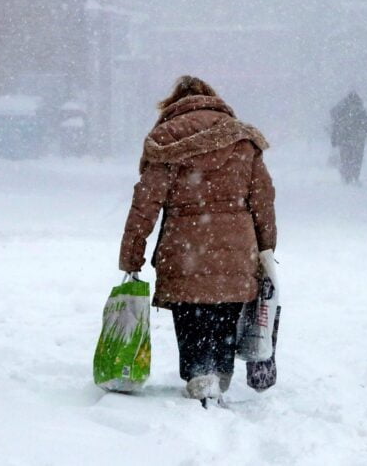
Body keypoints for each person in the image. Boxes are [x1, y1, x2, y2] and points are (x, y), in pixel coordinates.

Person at [118, 75, 276, 406]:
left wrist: (132, 256)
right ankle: (219, 371)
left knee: (191, 312)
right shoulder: (242, 139)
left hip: (184, 246)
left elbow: (144, 204)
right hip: (236, 249)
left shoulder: (166, 140)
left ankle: (197, 372)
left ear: (174, 104)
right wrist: (266, 248)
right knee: (224, 311)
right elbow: (262, 199)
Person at [329, 90, 367, 184]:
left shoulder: (342, 110)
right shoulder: (360, 110)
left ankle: (347, 177)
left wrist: (334, 138)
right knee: (357, 158)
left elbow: (336, 125)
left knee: (346, 158)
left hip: (344, 139)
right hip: (358, 139)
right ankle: (355, 176)